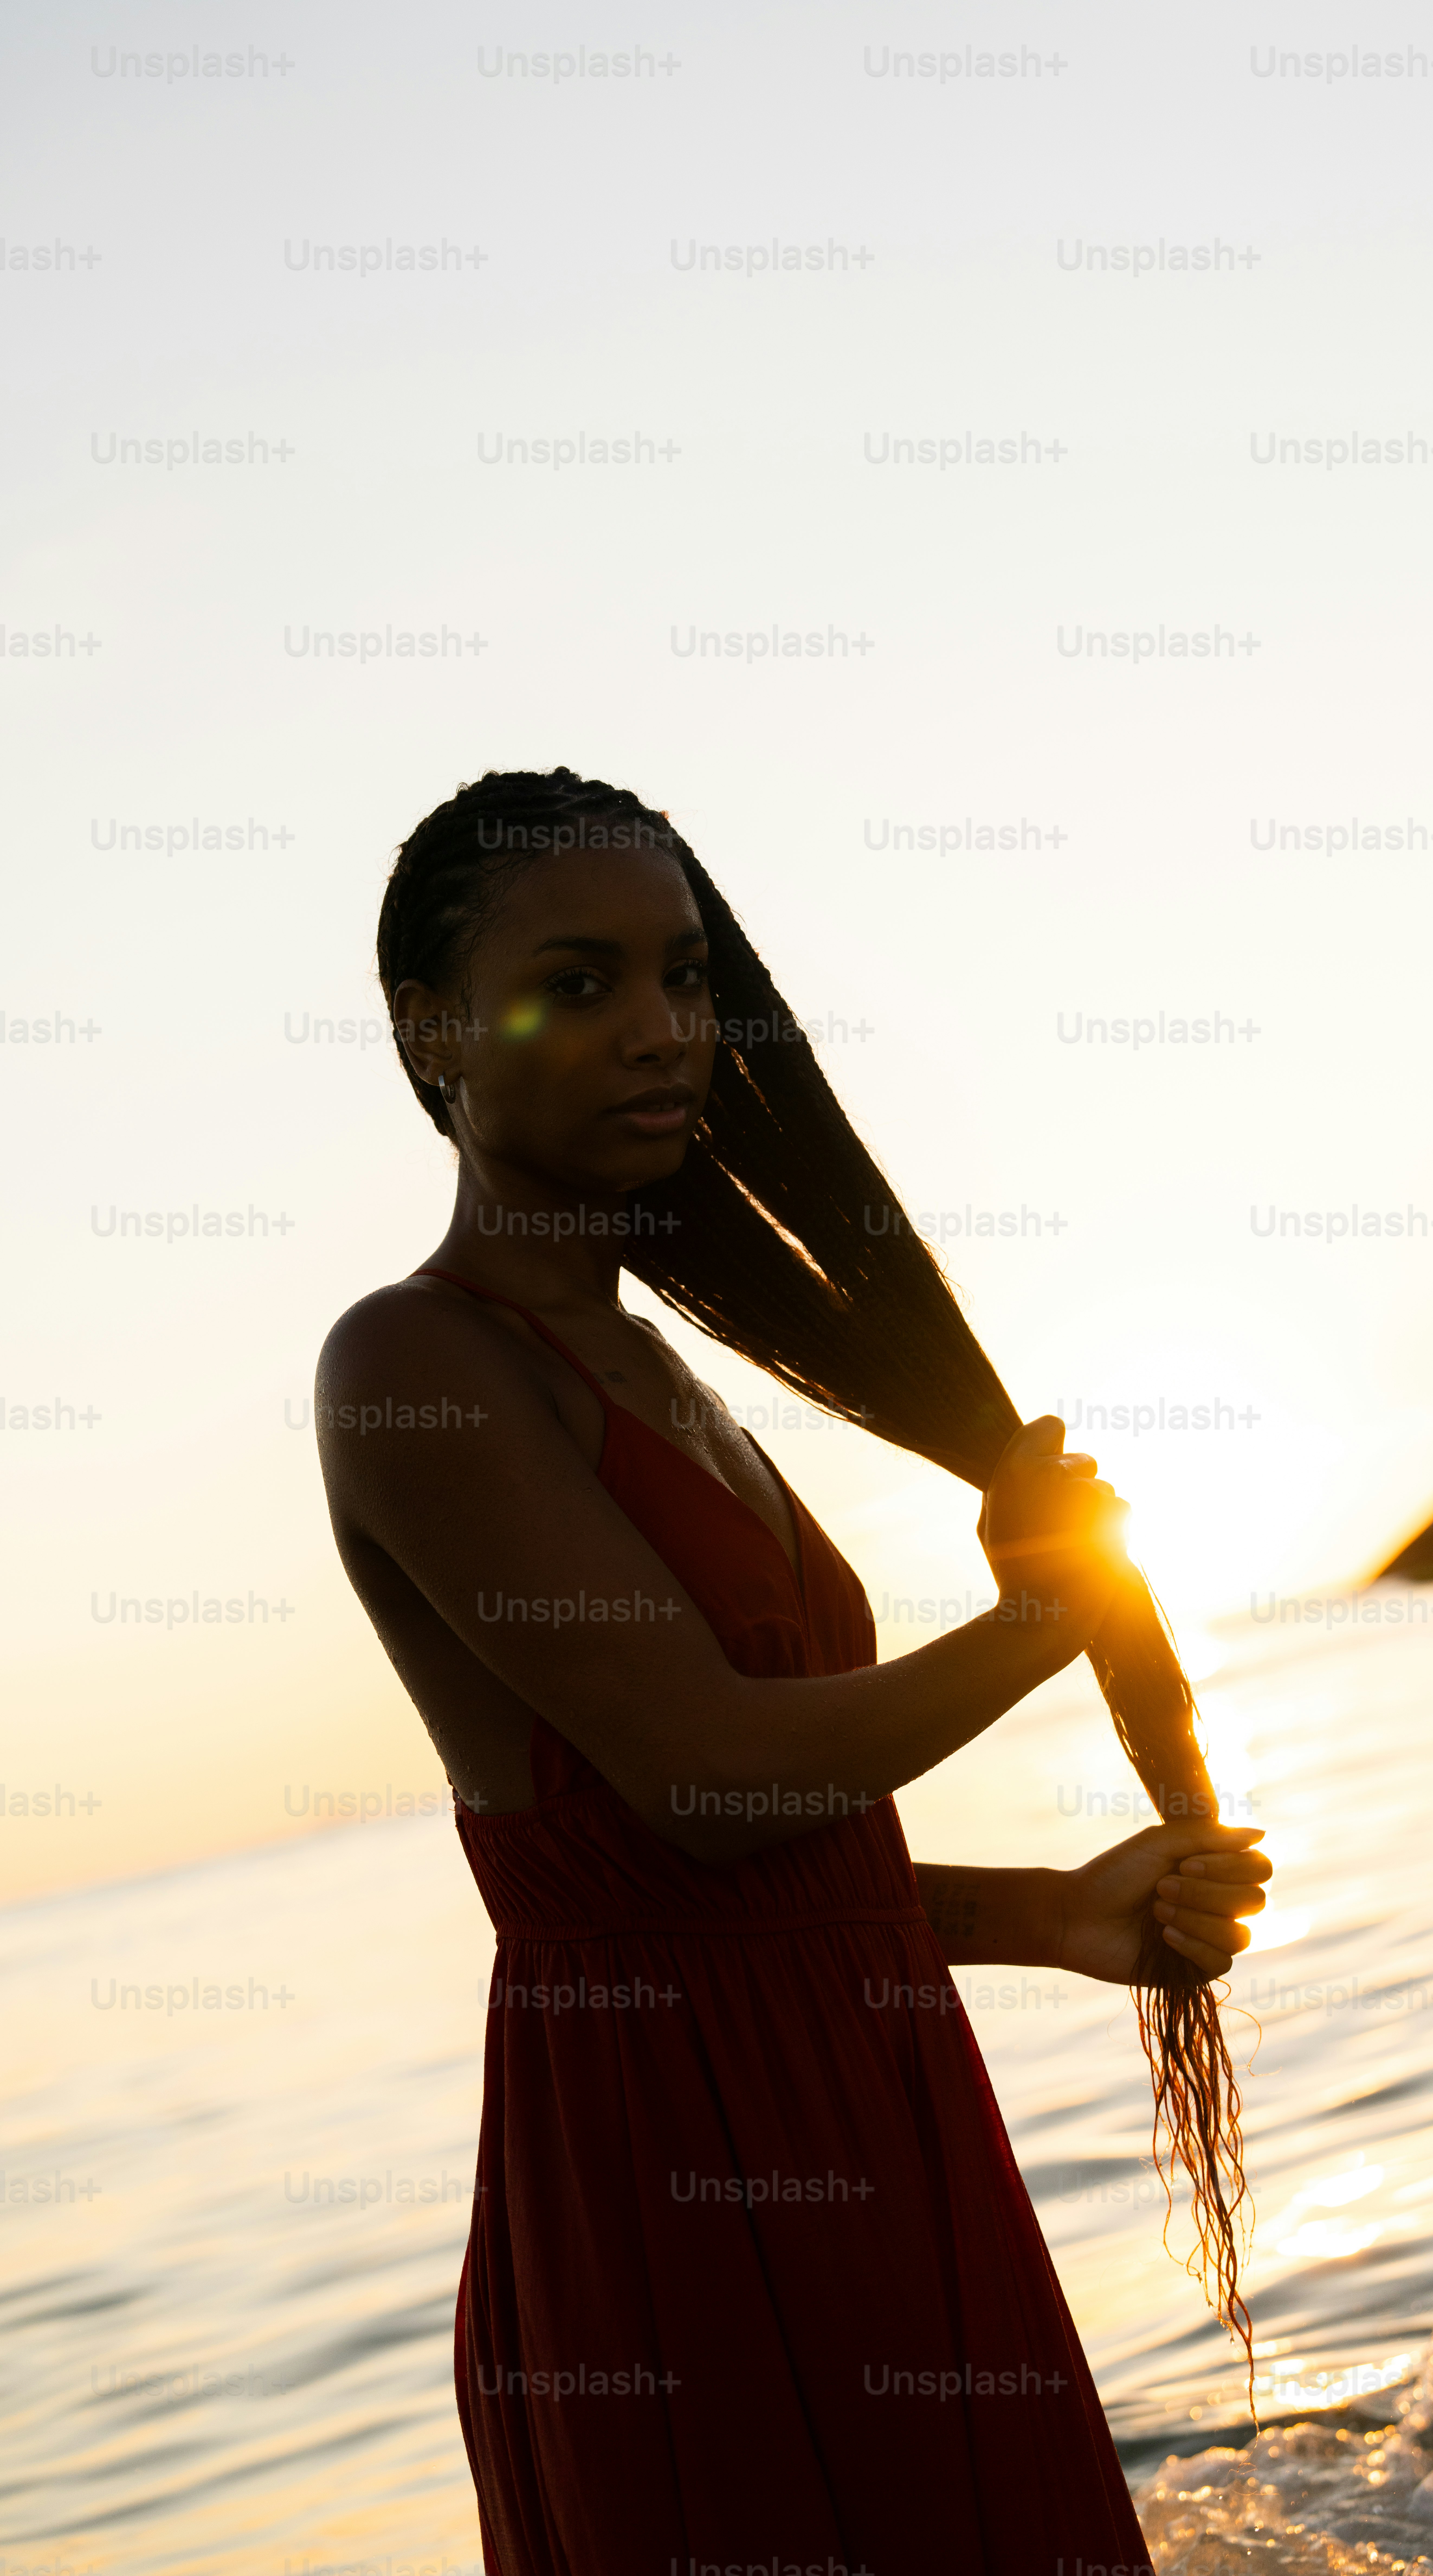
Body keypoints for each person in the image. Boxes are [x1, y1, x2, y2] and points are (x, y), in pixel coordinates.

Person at [316, 768, 1270, 2575]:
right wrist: (1045, 1622)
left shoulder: (675, 1383)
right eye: (577, 984)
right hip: (674, 2176)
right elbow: (707, 1778)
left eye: (684, 979)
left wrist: (1060, 1914)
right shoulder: (412, 1366)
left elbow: (744, 1885)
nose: (661, 1031)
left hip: (875, 2103)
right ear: (431, 1032)